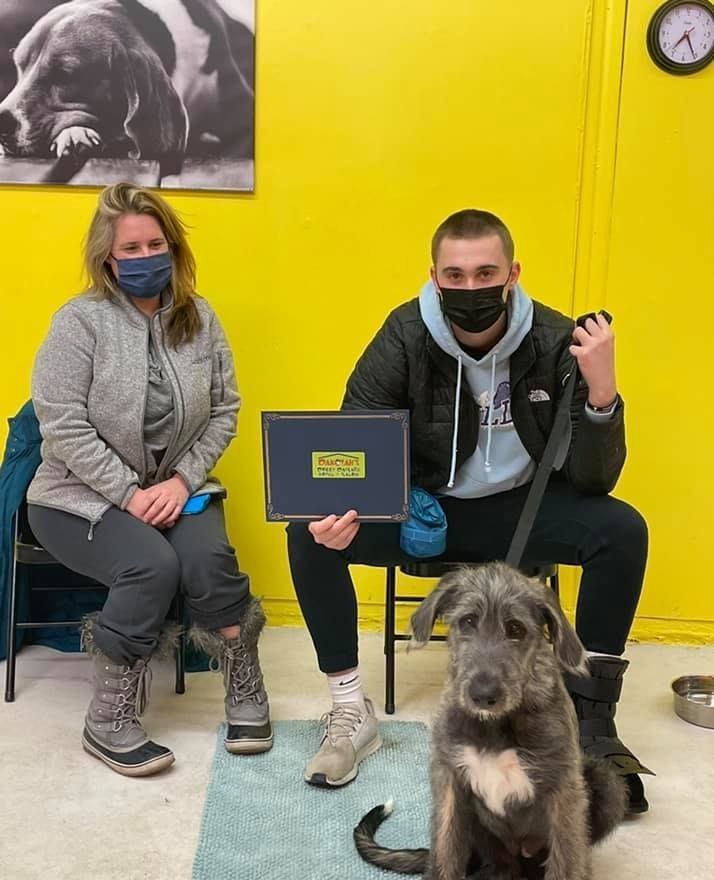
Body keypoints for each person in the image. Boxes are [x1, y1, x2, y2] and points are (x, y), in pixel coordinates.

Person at [287, 209, 651, 814]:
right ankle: (350, 708)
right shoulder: (403, 334)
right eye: (455, 276)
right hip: (427, 511)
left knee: (622, 529)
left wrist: (603, 392)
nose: (470, 288)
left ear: (513, 273)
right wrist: (340, 510)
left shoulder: (557, 340)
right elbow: (358, 439)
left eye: (486, 272)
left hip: (520, 511)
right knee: (308, 531)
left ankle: (591, 723)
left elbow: (594, 479)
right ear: (433, 277)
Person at [27, 182, 272, 777]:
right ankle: (107, 718)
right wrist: (129, 495)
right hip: (75, 495)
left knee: (209, 562)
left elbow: (225, 411)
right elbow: (61, 424)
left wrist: (183, 481)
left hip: (175, 490)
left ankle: (244, 679)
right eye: (129, 249)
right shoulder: (79, 323)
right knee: (150, 566)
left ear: (174, 247)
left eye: (154, 244)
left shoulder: (201, 317)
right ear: (107, 258)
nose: (143, 258)